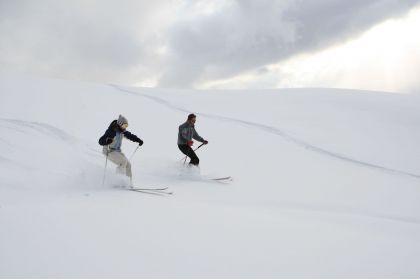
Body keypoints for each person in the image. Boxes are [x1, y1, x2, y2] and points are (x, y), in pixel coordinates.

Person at [98, 115, 143, 184]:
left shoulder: (122, 131)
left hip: (117, 151)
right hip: (109, 151)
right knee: (123, 162)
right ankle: (118, 182)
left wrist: (138, 140)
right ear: (120, 124)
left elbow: (130, 136)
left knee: (128, 165)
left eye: (126, 126)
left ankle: (128, 183)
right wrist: (106, 141)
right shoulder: (111, 131)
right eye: (124, 125)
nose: (125, 127)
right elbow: (100, 141)